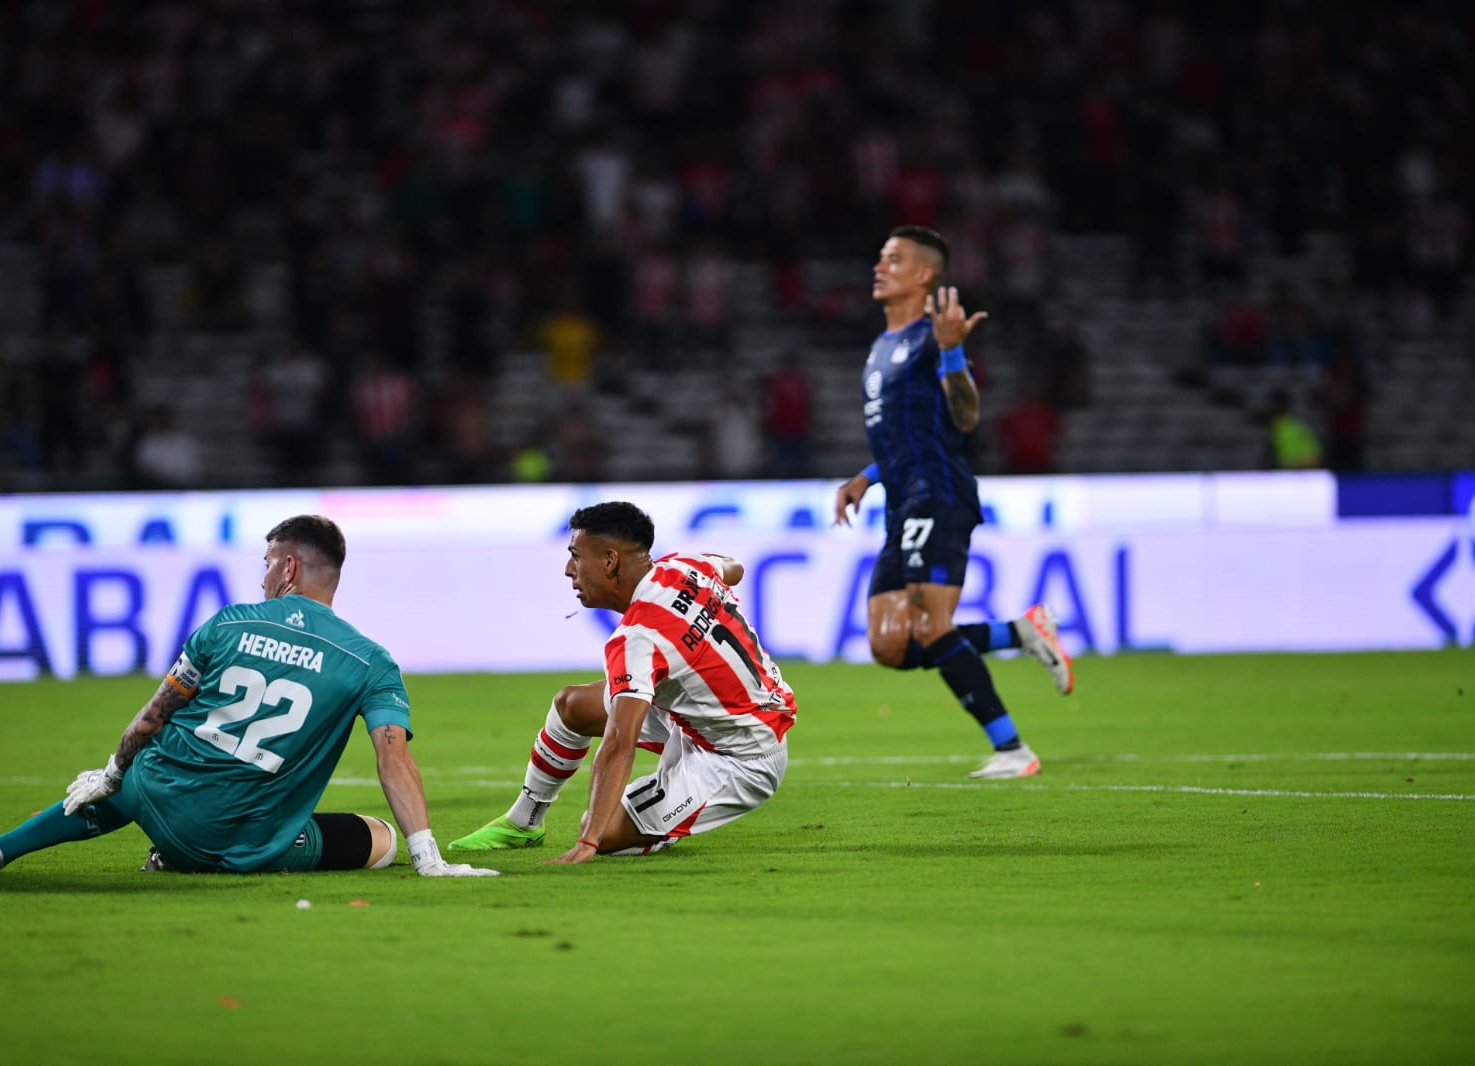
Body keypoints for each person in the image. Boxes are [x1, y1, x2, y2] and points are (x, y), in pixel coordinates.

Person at [0, 515, 495, 878]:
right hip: (251, 843)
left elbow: (151, 719)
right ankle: (187, 850)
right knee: (379, 838)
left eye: (267, 564)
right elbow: (391, 755)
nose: (262, 579)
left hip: (161, 802)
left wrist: (113, 771)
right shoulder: (369, 660)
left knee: (129, 779)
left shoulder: (227, 624)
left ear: (289, 567)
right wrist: (429, 858)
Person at [832, 226, 1074, 780]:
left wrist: (953, 353)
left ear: (925, 275)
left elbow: (963, 418)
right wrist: (866, 478)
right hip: (901, 498)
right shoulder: (880, 348)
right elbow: (910, 432)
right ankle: (1023, 632)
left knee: (927, 620)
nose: (879, 266)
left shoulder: (930, 339)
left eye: (893, 259)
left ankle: (1013, 749)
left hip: (936, 492)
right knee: (889, 643)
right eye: (879, 256)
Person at [449, 501, 796, 862]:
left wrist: (588, 841)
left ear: (610, 560)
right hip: (712, 714)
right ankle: (523, 823)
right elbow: (733, 568)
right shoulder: (686, 564)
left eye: (575, 556)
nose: (569, 570)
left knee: (602, 830)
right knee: (571, 706)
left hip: (739, 758)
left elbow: (619, 742)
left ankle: (667, 820)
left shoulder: (638, 638)